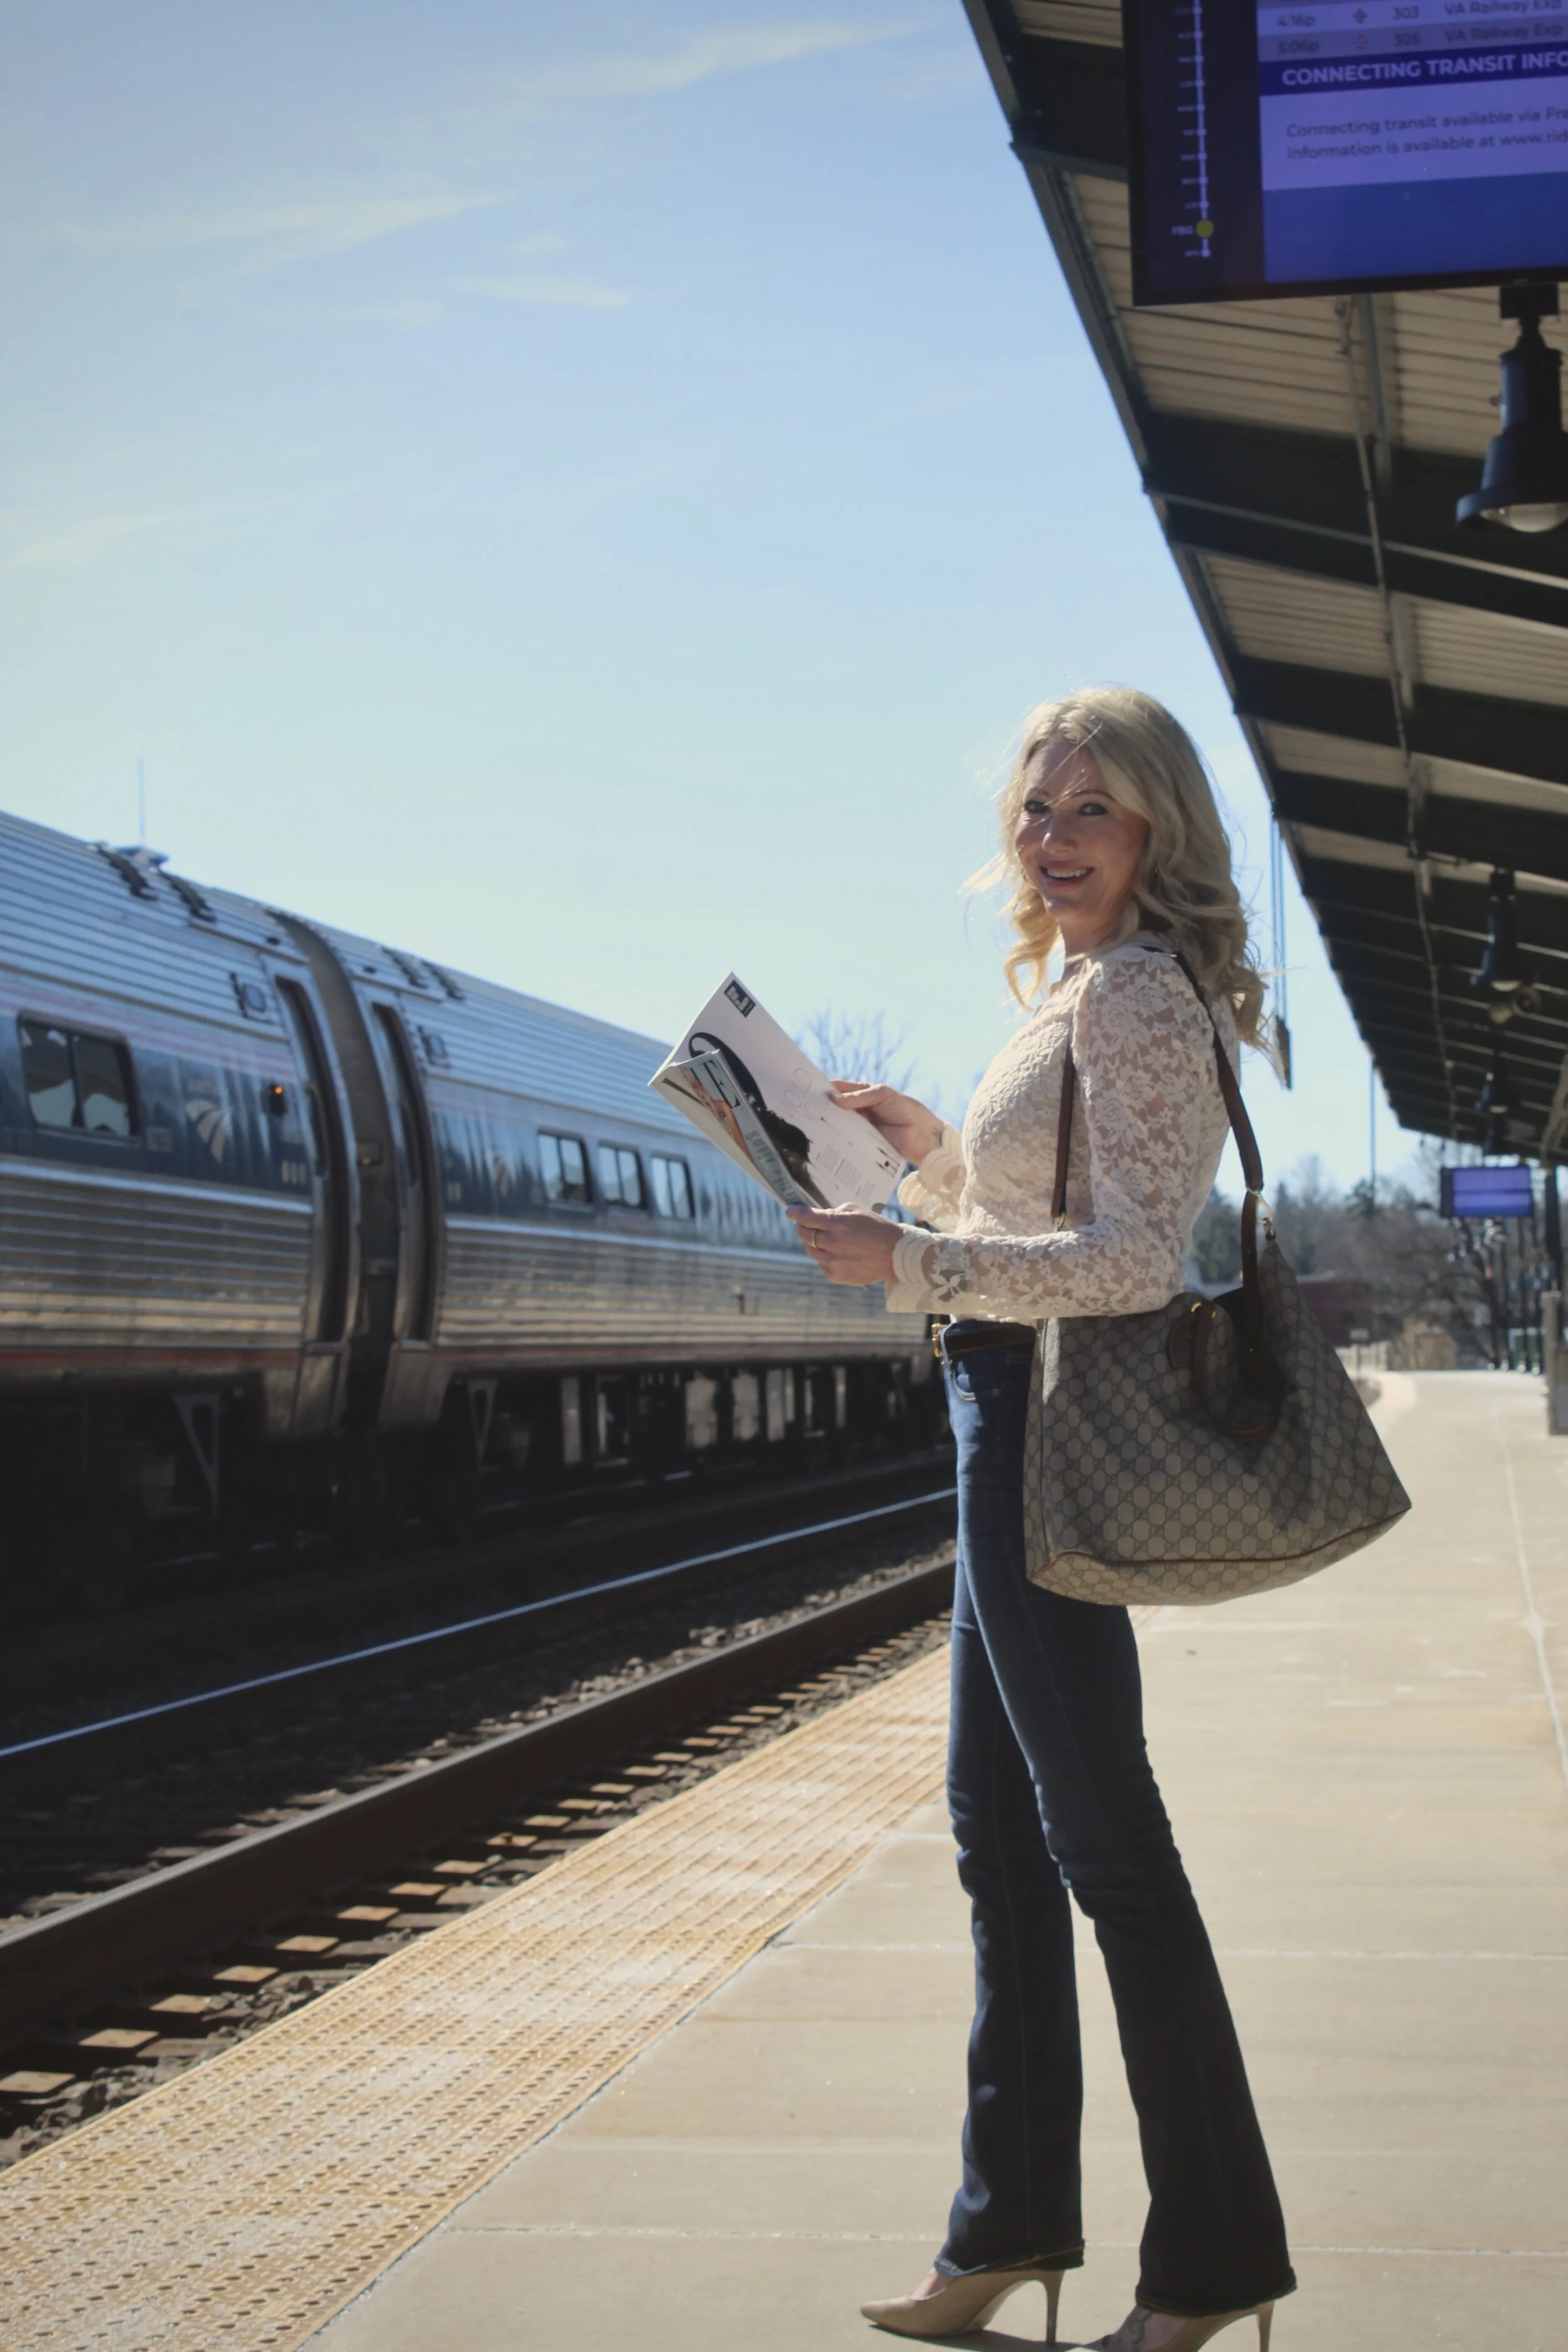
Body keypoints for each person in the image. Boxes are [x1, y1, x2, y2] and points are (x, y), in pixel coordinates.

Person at [788, 689, 1294, 2352]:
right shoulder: (1072, 991)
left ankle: (1209, 2254)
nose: (1054, 839)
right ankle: (1003, 2225)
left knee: (1102, 1854)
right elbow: (1048, 1216)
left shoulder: (1140, 992)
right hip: (991, 1414)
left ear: (1155, 827)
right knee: (1001, 1848)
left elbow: (1134, 1259)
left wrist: (911, 1264)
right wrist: (930, 1164)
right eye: (1035, 809)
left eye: (1091, 808)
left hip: (1043, 1428)